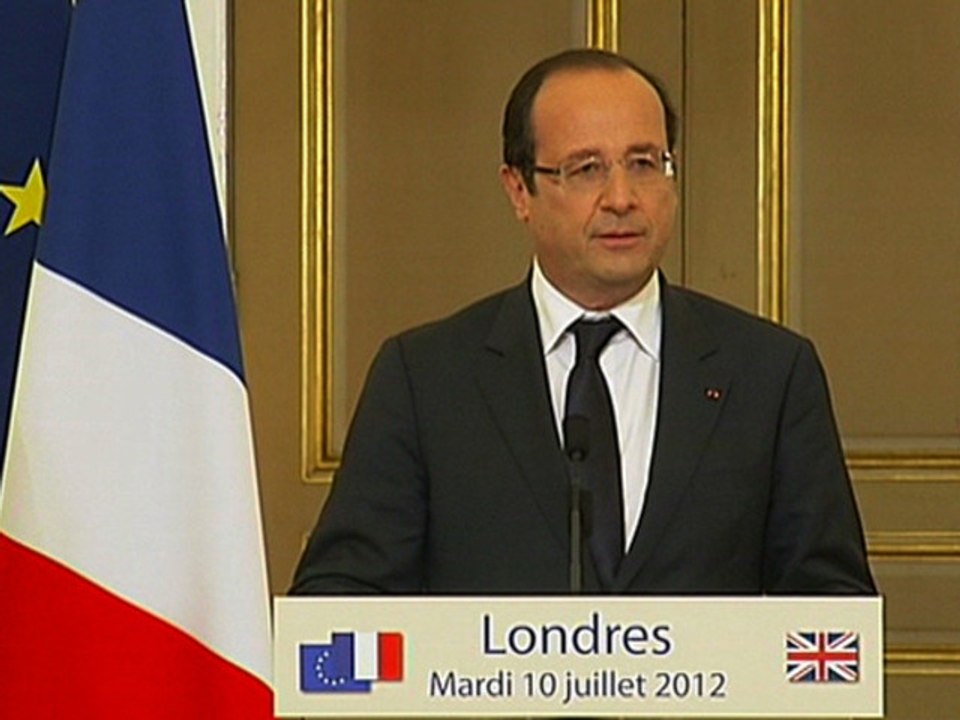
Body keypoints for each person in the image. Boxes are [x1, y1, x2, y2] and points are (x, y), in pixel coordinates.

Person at [290, 49, 875, 595]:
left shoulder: (770, 373)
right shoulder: (425, 378)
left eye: (645, 164)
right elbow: (343, 597)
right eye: (586, 169)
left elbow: (831, 606)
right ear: (519, 190)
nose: (622, 198)